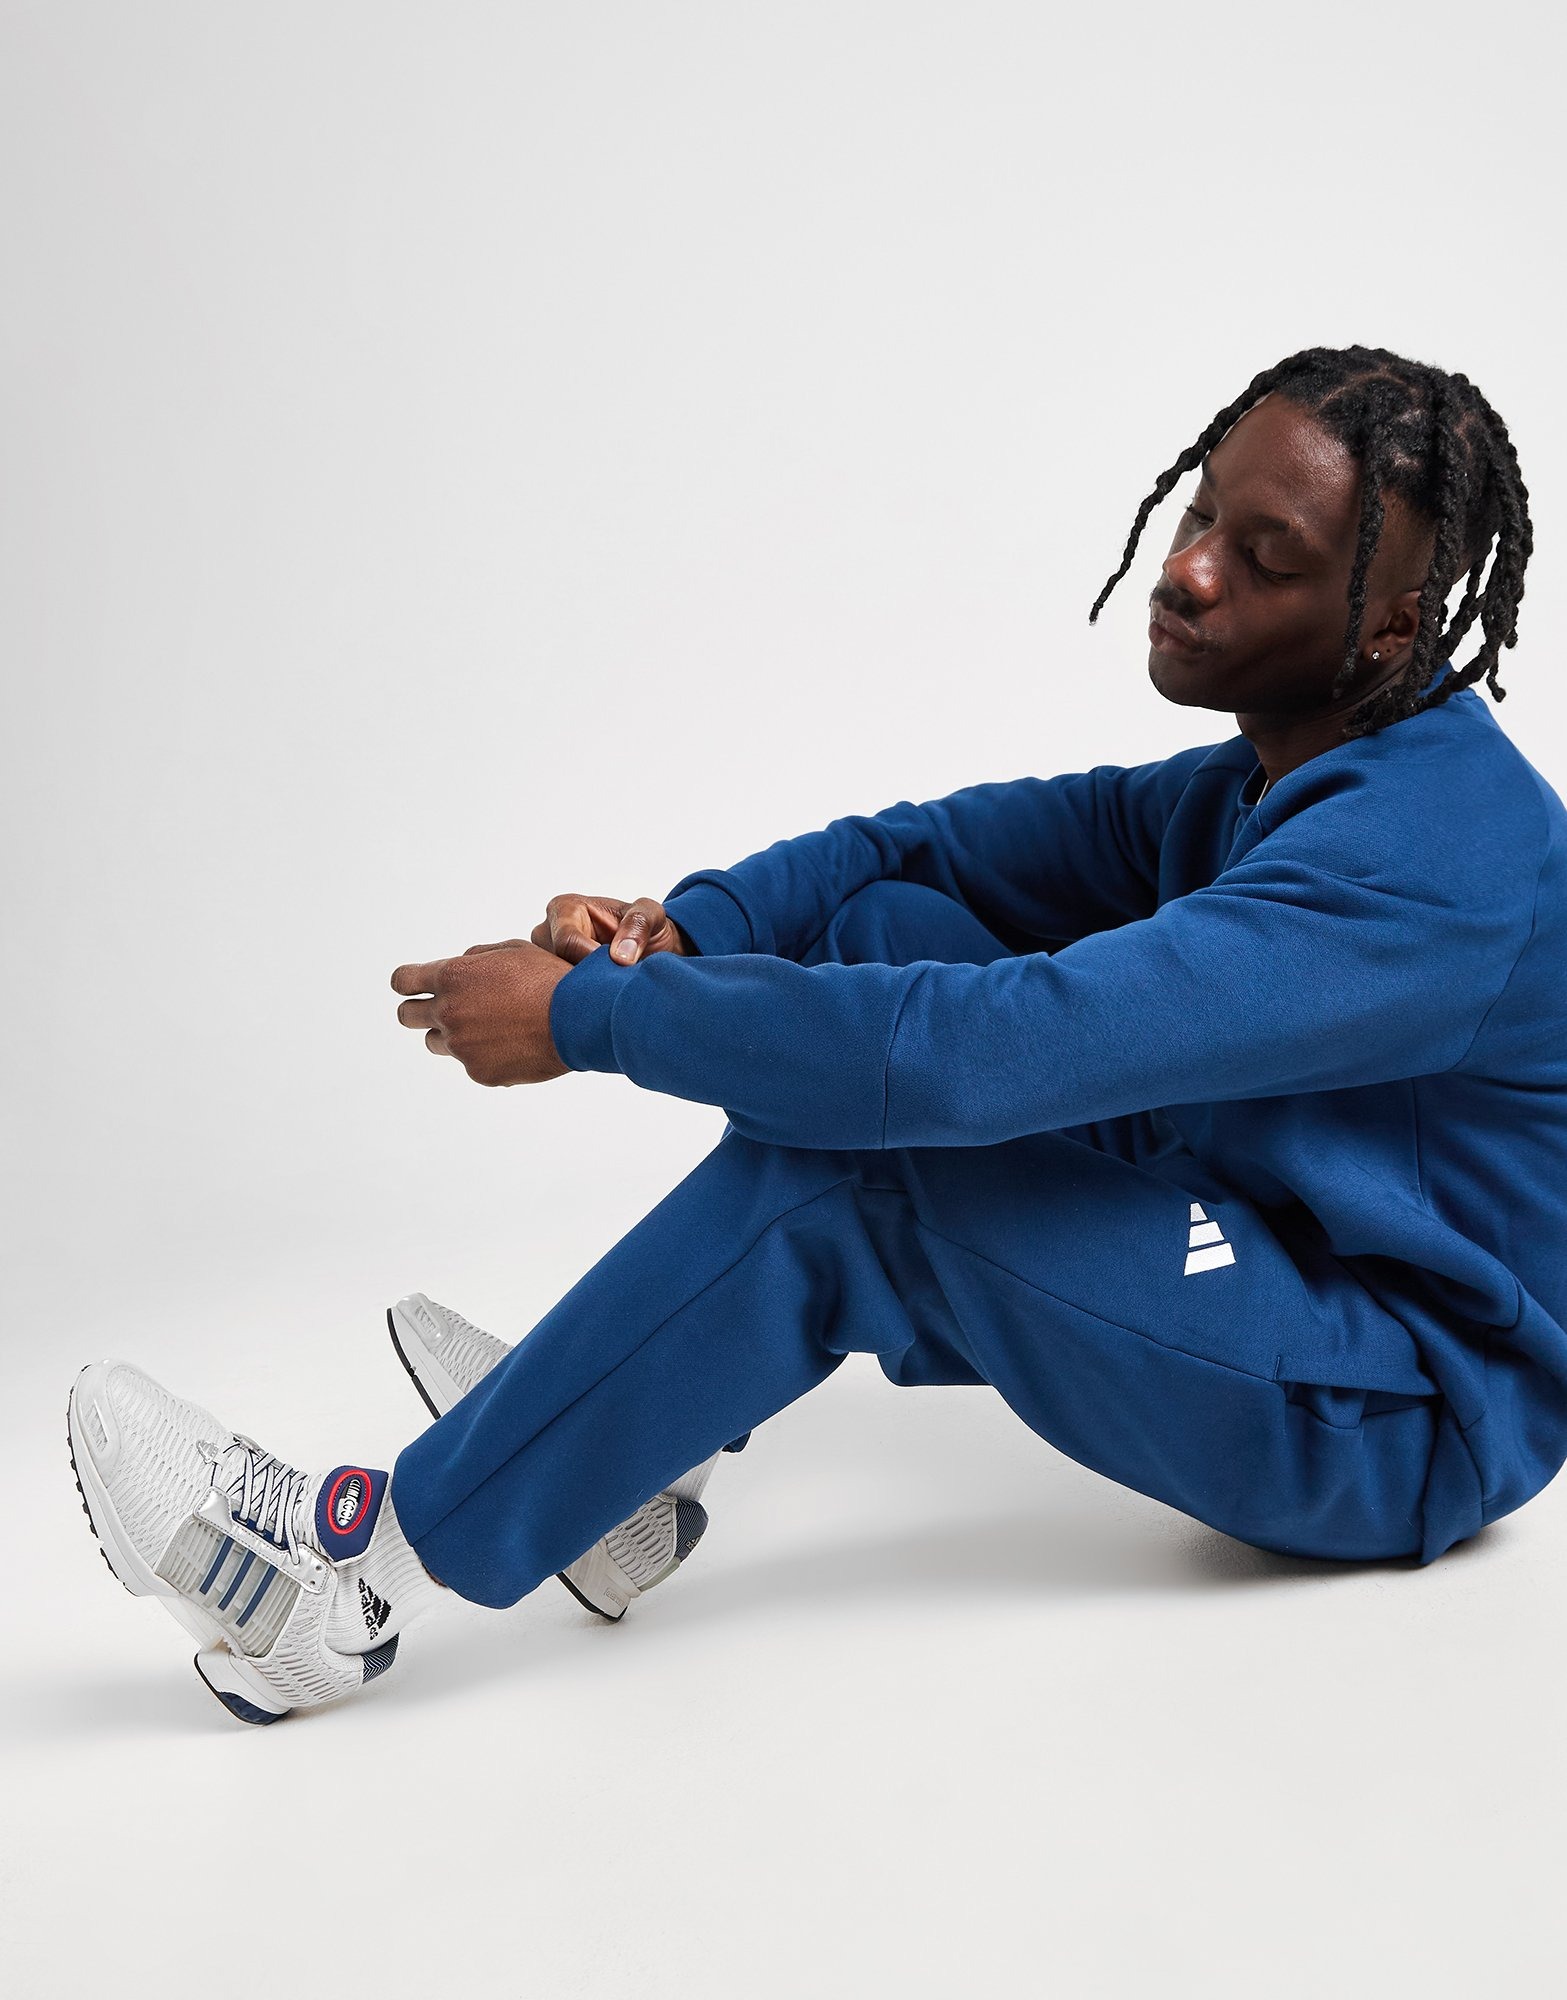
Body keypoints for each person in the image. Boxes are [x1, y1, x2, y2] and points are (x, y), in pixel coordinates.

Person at [67, 343, 1567, 1726]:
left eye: (1266, 558)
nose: (1189, 569)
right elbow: (923, 851)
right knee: (885, 931)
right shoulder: (1272, 773)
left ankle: (351, 1586)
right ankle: (617, 1471)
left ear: (1389, 623)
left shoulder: (1424, 861)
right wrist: (683, 932)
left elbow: (971, 1060)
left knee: (870, 1169)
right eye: (1201, 513)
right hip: (1262, 1216)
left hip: (1392, 1398)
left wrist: (594, 1017)